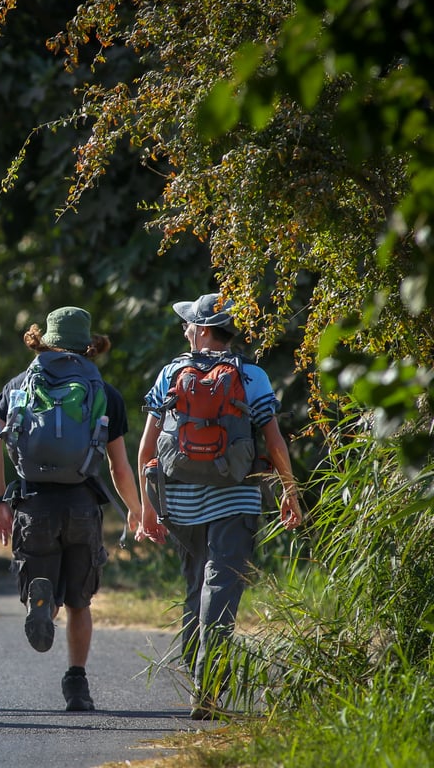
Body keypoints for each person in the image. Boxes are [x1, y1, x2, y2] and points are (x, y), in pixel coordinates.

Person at [137, 292, 303, 719]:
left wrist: (147, 508)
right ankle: (207, 686)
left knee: (195, 589)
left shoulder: (171, 372)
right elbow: (274, 441)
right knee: (221, 590)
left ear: (203, 330)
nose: (184, 329)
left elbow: (146, 449)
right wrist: (289, 490)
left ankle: (200, 675)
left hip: (181, 501)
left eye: (189, 323)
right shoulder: (253, 377)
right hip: (238, 497)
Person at [0, 306, 146, 712]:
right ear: (87, 344)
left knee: (44, 579)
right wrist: (137, 509)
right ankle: (77, 685)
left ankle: (43, 602)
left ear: (45, 339)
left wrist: (0, 500)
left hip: (32, 502)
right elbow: (119, 466)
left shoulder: (20, 384)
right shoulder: (104, 392)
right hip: (81, 503)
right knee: (81, 602)